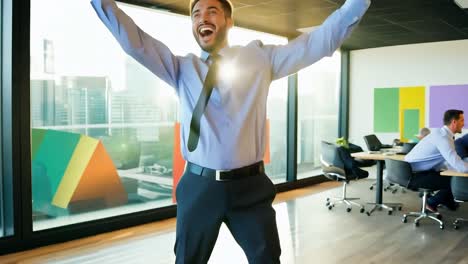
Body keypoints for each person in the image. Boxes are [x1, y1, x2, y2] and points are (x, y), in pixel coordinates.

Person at [91, 0, 370, 262]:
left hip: (250, 188)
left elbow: (316, 44)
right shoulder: (181, 68)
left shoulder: (259, 59)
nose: (202, 18)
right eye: (196, 14)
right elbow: (135, 44)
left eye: (211, 11)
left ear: (228, 20)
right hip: (199, 187)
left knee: (268, 258)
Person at [405, 109, 468, 212]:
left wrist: (458, 168)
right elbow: (458, 165)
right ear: (454, 122)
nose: (463, 124)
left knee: (452, 176)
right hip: (414, 176)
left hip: (414, 171)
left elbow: (448, 161)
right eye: (462, 120)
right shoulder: (443, 138)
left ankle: (447, 202)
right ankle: (431, 203)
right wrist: (461, 167)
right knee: (455, 181)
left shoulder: (440, 133)